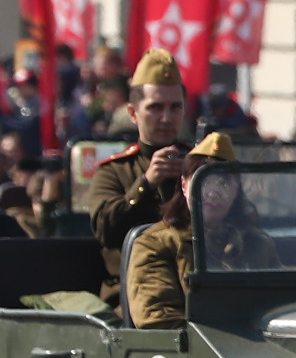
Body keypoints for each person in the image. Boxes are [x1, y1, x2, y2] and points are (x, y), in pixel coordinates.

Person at [82, 46, 191, 312]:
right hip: (135, 295)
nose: (166, 118)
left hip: (196, 291)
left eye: (175, 107)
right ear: (133, 113)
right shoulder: (115, 171)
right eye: (155, 107)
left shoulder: (200, 165)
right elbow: (105, 229)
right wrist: (145, 183)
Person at [126, 132, 273, 327]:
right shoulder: (155, 244)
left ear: (236, 191)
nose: (213, 192)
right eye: (203, 181)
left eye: (224, 182)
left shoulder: (257, 244)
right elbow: (158, 319)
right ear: (184, 185)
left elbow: (281, 305)